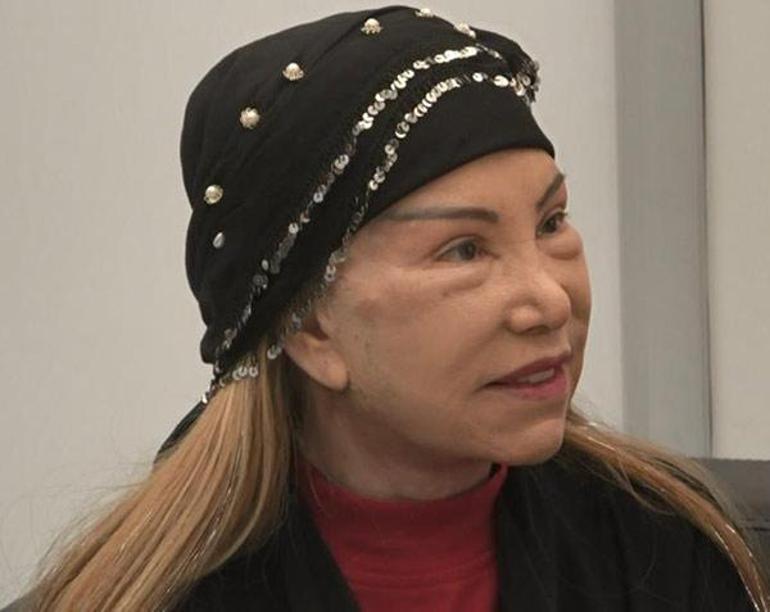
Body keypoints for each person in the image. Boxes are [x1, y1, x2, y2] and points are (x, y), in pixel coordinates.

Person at [4, 5, 769, 611]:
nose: (548, 300)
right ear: (310, 326)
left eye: (551, 222)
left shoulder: (678, 556)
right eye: (463, 251)